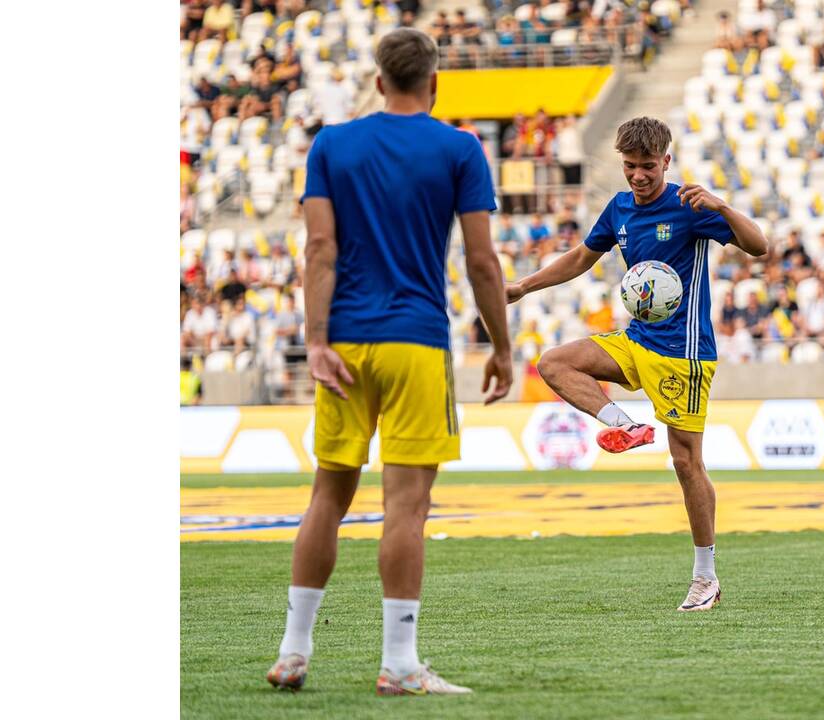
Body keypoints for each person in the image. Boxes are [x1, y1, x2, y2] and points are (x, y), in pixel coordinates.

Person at [266, 28, 512, 696]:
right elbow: (482, 260)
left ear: (378, 81)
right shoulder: (460, 148)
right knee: (407, 507)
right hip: (415, 341)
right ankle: (400, 665)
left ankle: (293, 652)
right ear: (434, 83)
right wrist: (503, 347)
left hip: (342, 341)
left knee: (328, 494)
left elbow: (319, 249)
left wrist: (315, 342)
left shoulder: (331, 145)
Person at [504, 117, 767, 612]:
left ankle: (705, 576)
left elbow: (760, 246)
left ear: (666, 161)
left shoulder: (690, 207)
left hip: (683, 356)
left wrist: (722, 206)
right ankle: (623, 425)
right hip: (636, 340)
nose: (638, 176)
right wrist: (523, 286)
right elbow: (582, 257)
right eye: (630, 167)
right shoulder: (619, 206)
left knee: (686, 463)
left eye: (648, 166)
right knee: (555, 363)